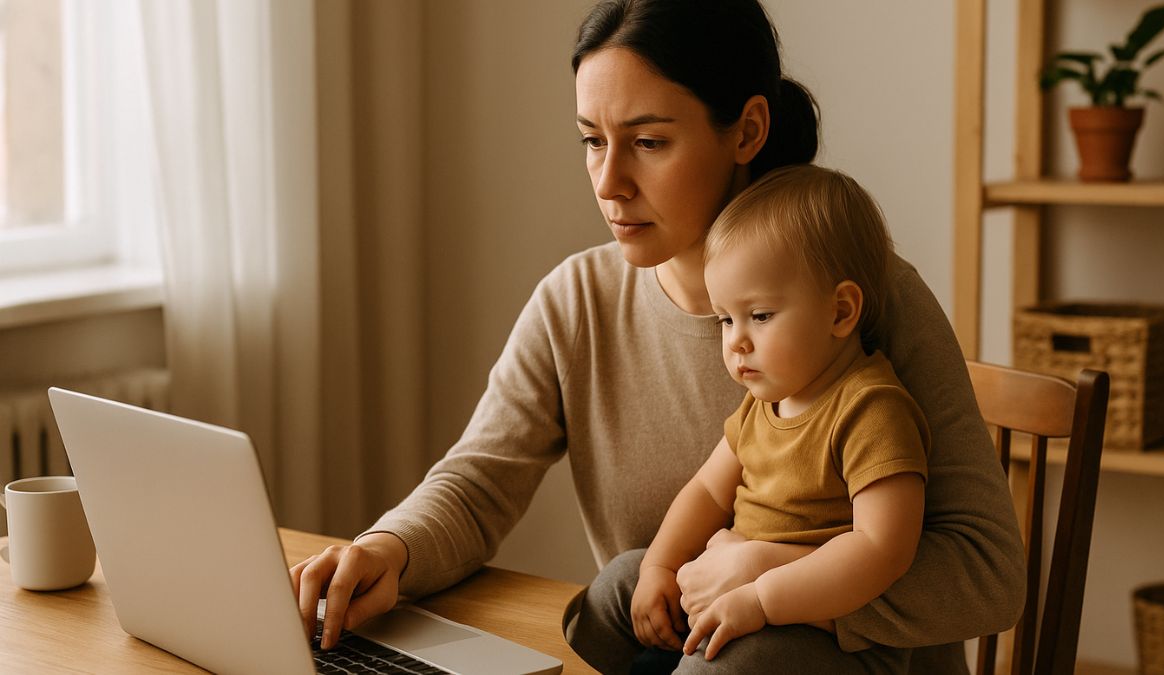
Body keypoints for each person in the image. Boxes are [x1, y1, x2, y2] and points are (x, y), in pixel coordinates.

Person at [290, 1, 1026, 672]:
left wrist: (770, 577)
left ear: (747, 131)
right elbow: (479, 482)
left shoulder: (865, 295)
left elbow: (989, 576)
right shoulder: (578, 301)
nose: (608, 181)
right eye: (591, 140)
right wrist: (388, 549)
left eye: (647, 141)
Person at [625, 165, 930, 672]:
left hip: (823, 635)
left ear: (840, 312)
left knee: (715, 668)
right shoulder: (762, 405)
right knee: (620, 584)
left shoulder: (871, 410)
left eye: (760, 316)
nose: (736, 342)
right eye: (726, 319)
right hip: (741, 601)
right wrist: (660, 564)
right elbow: (707, 491)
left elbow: (882, 550)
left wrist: (761, 599)